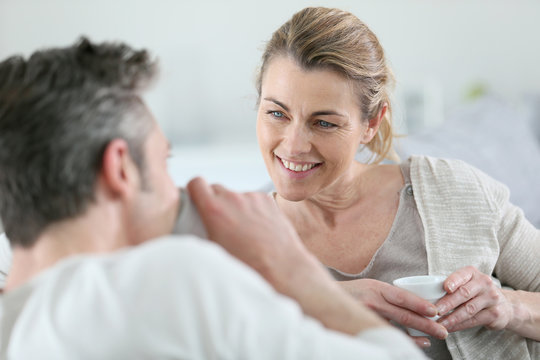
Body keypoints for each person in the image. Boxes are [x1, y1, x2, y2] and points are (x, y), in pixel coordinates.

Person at [0, 38, 427, 359]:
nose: (177, 189)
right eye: (164, 163)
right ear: (121, 169)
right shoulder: (169, 279)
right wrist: (294, 270)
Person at [254, 6, 540, 360]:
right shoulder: (238, 235)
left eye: (324, 123)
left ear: (371, 123)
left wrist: (512, 308)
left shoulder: (452, 190)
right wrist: (323, 302)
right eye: (277, 113)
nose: (294, 145)